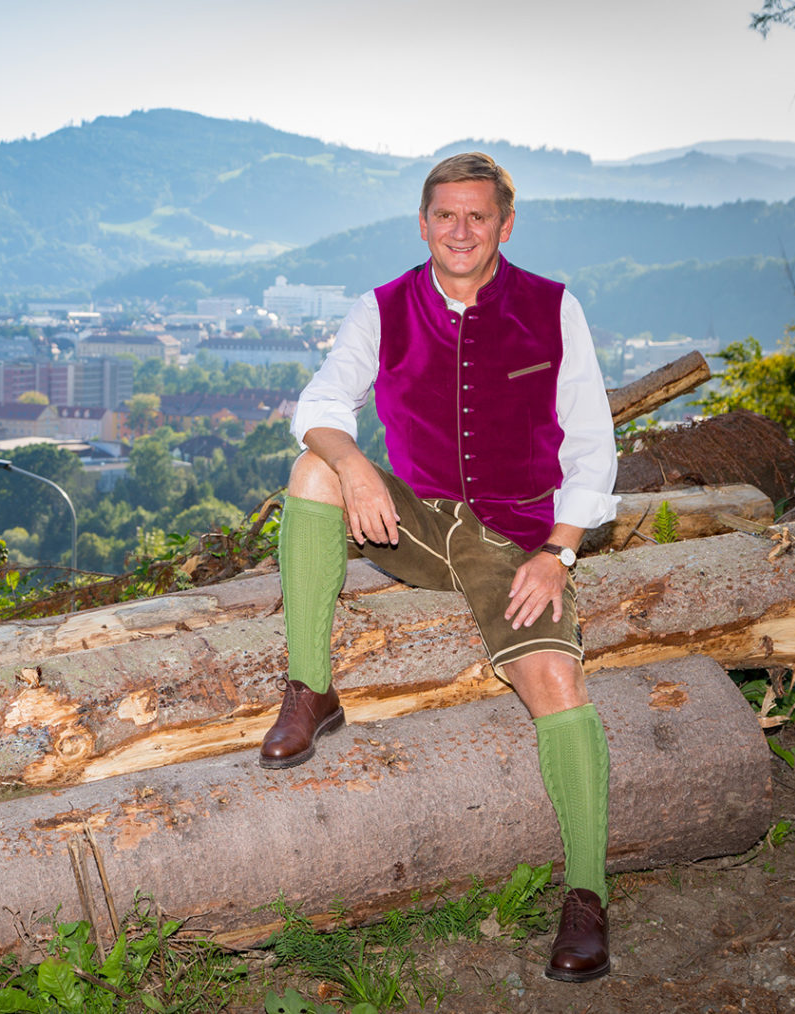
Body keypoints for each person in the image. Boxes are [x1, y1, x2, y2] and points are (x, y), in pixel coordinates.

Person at [261, 152, 619, 983]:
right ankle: (311, 687)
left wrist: (560, 553)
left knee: (558, 690)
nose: (461, 231)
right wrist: (354, 468)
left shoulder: (552, 308)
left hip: (516, 540)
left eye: (478, 217)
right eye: (446, 216)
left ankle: (588, 898)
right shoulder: (382, 307)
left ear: (505, 224)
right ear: (423, 223)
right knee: (315, 467)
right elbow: (319, 405)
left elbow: (593, 447)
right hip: (417, 526)